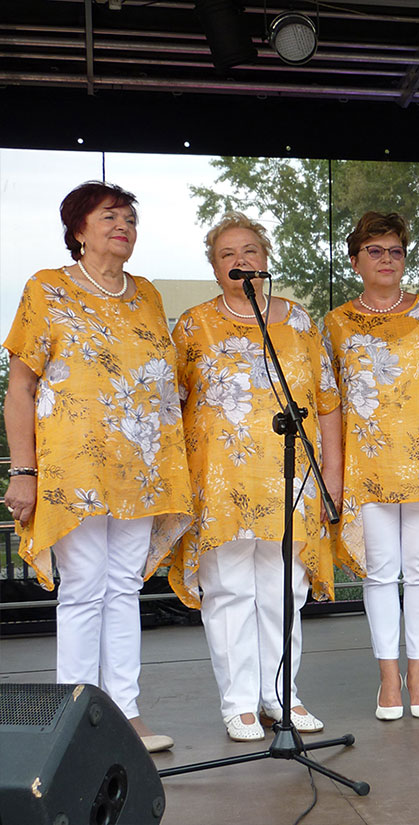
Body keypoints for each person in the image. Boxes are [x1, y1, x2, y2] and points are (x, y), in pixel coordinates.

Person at [2, 181, 191, 752]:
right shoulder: (47, 288)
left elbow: (162, 386)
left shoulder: (148, 295)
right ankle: (77, 717)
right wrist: (23, 471)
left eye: (131, 218)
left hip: (139, 466)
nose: (124, 225)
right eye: (110, 216)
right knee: (83, 588)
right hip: (72, 469)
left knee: (123, 588)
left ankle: (127, 714)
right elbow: (20, 387)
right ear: (78, 229)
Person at [169, 212, 341, 741]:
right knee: (229, 592)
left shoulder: (299, 321)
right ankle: (239, 701)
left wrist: (331, 474)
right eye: (227, 254)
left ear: (266, 260)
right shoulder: (193, 325)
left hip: (291, 477)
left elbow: (328, 402)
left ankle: (280, 695)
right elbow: (169, 406)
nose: (240, 261)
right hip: (218, 481)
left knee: (284, 590)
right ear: (214, 267)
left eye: (250, 251)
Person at [324, 211, 419, 721]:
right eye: (375, 251)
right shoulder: (336, 322)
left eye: (395, 251)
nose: (386, 260)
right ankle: (388, 681)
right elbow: (329, 401)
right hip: (366, 464)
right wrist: (336, 468)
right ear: (354, 261)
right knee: (380, 572)